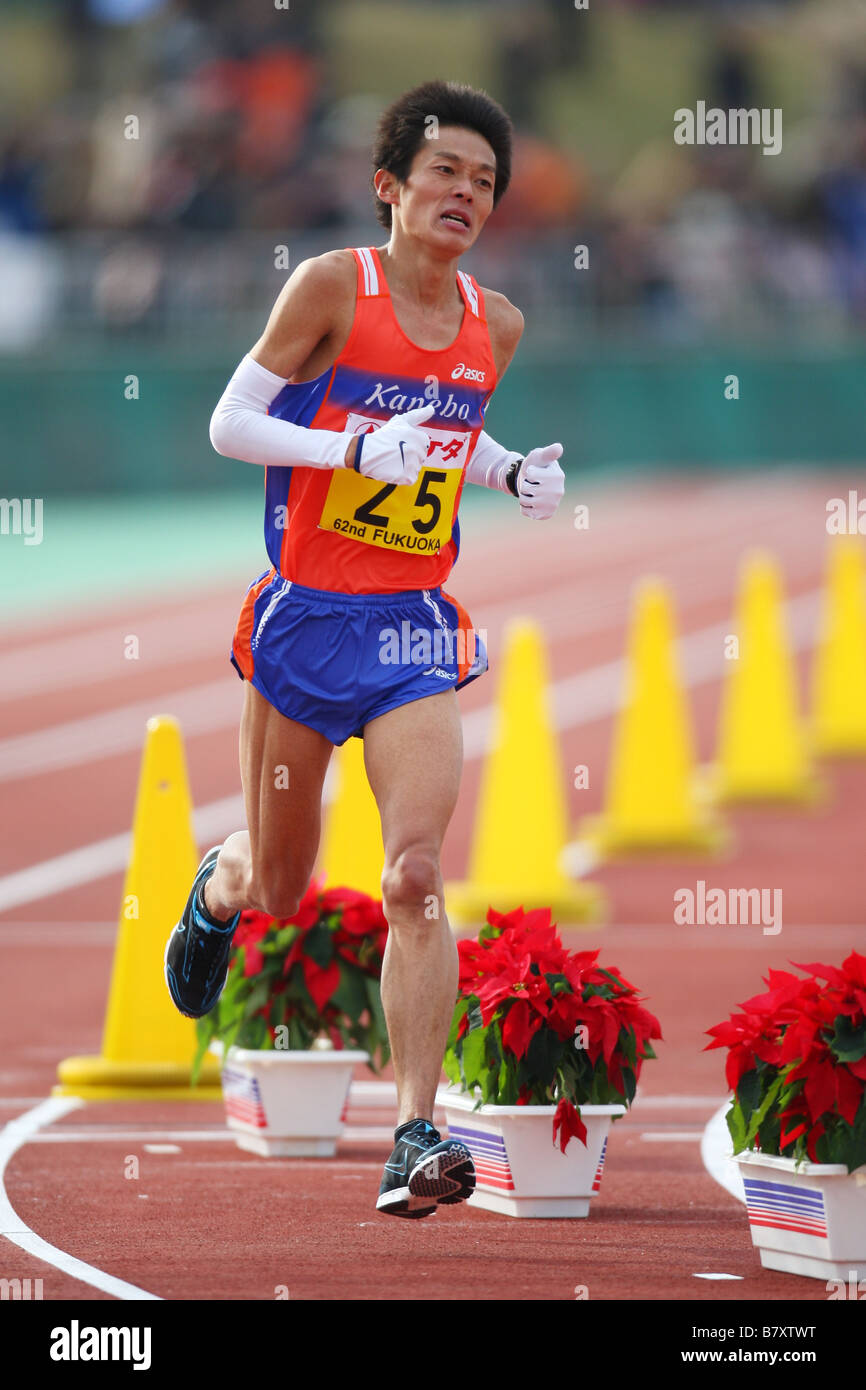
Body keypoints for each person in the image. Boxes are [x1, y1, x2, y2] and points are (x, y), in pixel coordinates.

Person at [165, 80, 566, 1219]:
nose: (466, 195)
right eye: (445, 172)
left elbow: (447, 429)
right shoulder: (333, 286)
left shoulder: (500, 323)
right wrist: (348, 453)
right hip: (303, 622)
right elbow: (229, 423)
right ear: (390, 185)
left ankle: (414, 1133)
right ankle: (220, 884)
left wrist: (504, 472)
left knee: (415, 875)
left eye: (484, 182)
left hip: (407, 629)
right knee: (285, 884)